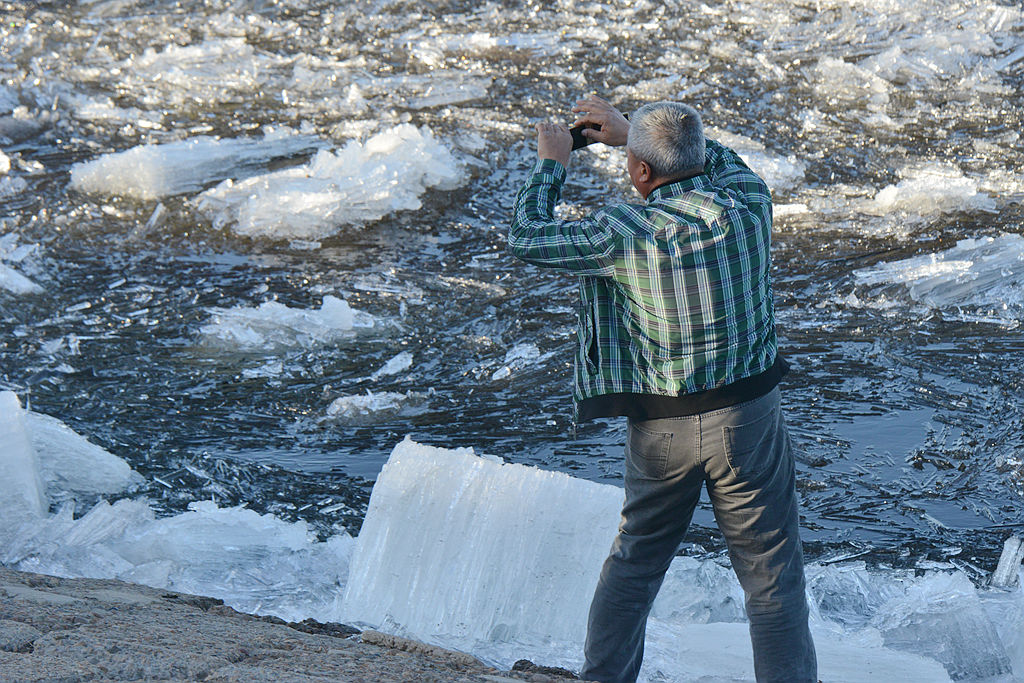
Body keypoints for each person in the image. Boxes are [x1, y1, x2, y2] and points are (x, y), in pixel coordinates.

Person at [507, 95, 817, 683]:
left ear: (640, 173)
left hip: (662, 429)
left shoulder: (620, 231)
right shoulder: (747, 203)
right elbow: (719, 165)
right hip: (749, 416)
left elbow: (528, 237)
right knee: (772, 576)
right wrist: (634, 136)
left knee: (635, 567)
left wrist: (552, 163)